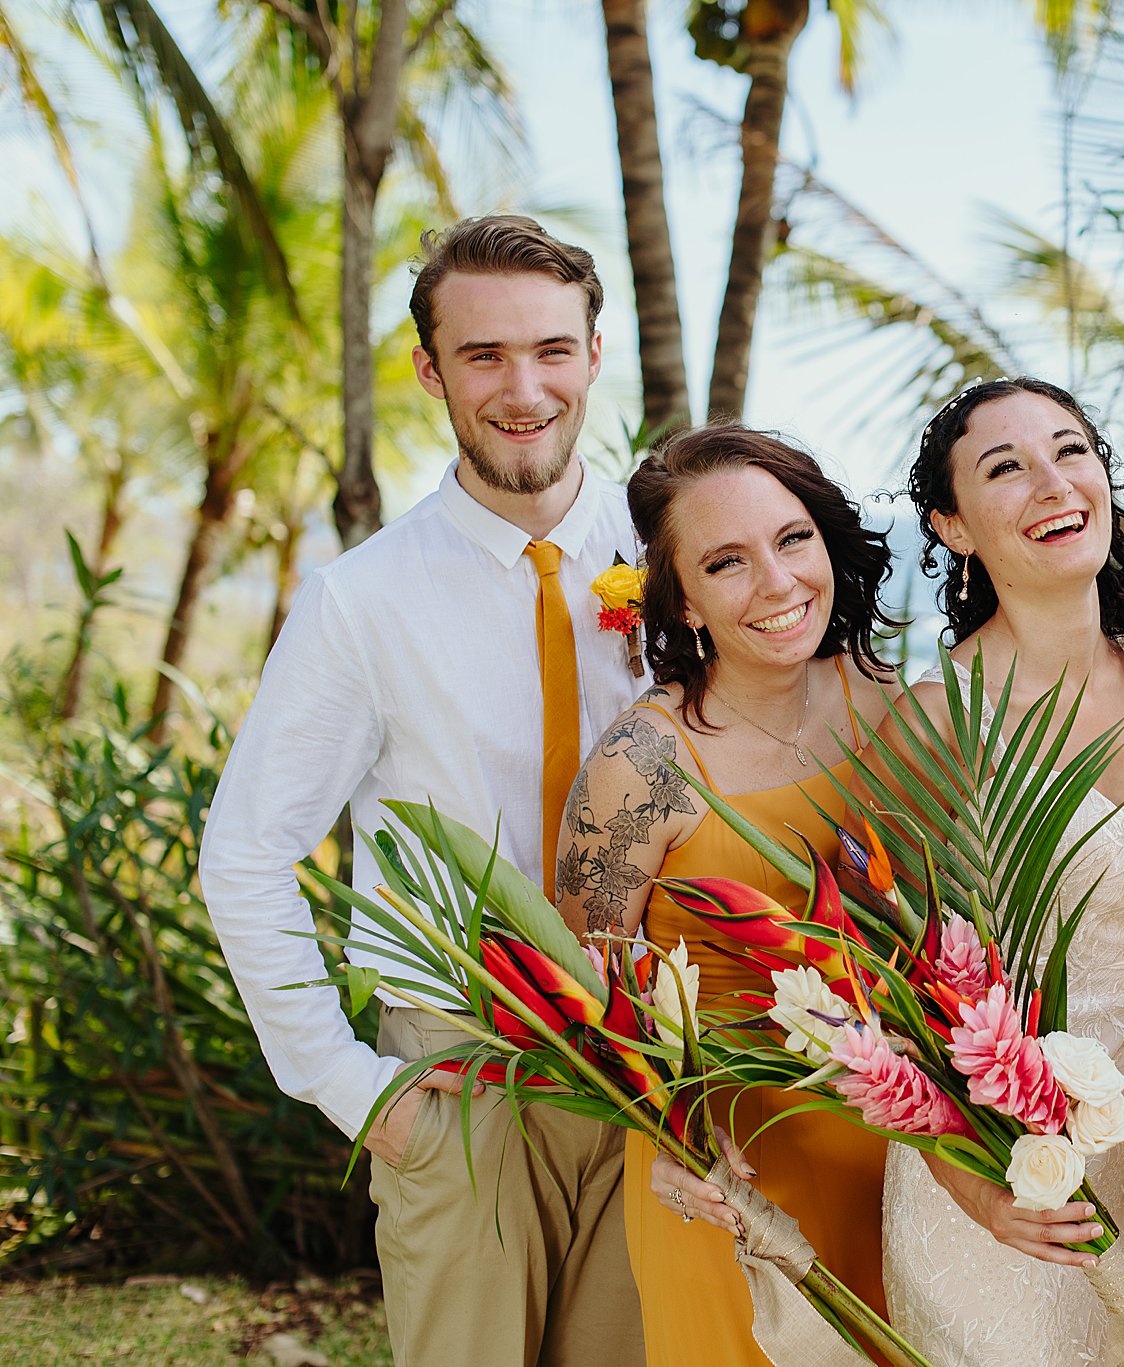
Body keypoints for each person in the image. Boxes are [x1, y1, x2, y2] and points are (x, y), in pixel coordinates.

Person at [198, 215, 645, 1365]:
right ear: (429, 369)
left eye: (551, 349)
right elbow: (246, 852)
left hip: (664, 1051)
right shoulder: (361, 600)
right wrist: (356, 1088)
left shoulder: (682, 550)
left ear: (596, 354)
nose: (523, 386)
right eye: (483, 355)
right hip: (462, 1061)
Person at [872, 376, 1124, 1365]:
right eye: (1003, 468)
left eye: (1069, 451)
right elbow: (898, 994)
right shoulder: (936, 718)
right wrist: (981, 1187)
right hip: (999, 1180)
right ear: (953, 526)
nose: (1051, 483)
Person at [566, 424, 899, 1367]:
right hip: (725, 1165)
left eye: (793, 540)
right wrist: (667, 1132)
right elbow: (585, 990)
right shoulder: (645, 762)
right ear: (686, 602)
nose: (780, 582)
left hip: (901, 1144)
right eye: (727, 562)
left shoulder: (880, 698)